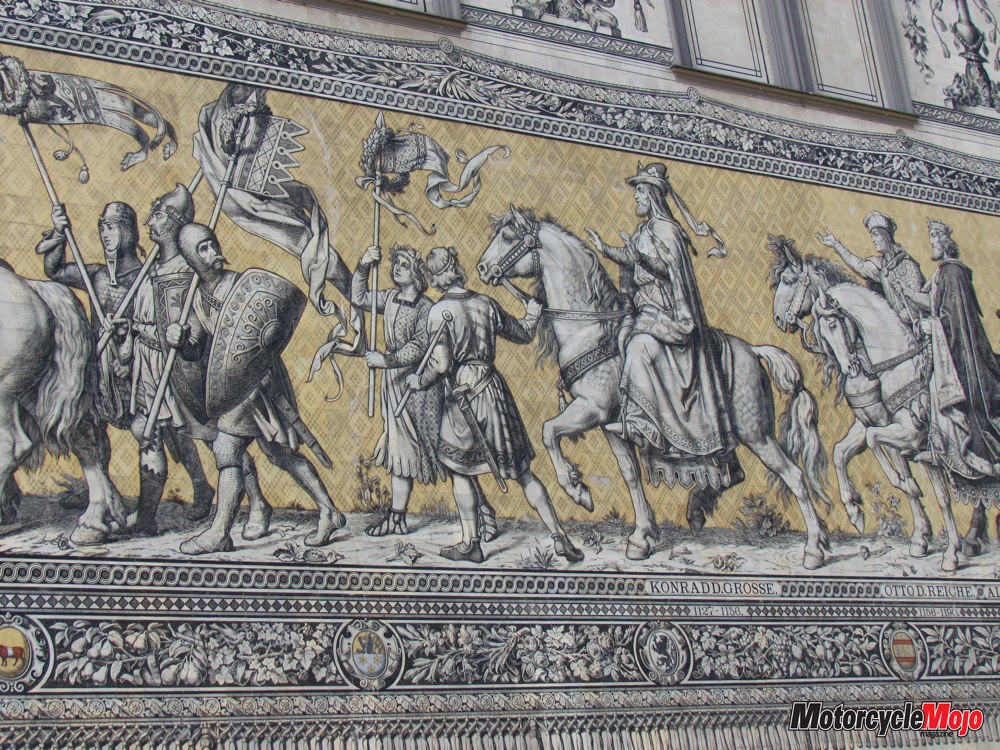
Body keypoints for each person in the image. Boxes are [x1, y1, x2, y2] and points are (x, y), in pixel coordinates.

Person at [165, 223, 346, 554]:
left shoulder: (241, 286)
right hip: (235, 386)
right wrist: (180, 340)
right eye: (202, 248)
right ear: (190, 258)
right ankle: (328, 511)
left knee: (236, 450)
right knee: (275, 453)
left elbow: (265, 331)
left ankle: (220, 532)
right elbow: (196, 349)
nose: (212, 252)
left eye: (212, 243)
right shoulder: (196, 298)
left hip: (261, 382)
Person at [405, 247, 583, 563]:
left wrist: (419, 381)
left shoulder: (439, 311)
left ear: (435, 278)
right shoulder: (486, 303)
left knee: (460, 471)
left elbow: (441, 364)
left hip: (463, 396)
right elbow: (523, 333)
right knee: (524, 473)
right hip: (494, 390)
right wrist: (532, 314)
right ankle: (559, 536)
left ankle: (470, 544)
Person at [588, 163, 740, 491]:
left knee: (639, 347)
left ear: (653, 195)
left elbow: (669, 271)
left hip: (669, 313)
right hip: (646, 309)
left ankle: (642, 423)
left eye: (640, 192)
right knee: (621, 338)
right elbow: (631, 258)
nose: (636, 198)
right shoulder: (645, 231)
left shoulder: (667, 231)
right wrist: (604, 249)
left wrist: (641, 259)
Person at [122, 184, 217, 533]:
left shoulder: (189, 271)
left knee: (208, 434)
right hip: (146, 362)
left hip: (179, 365)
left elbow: (205, 323)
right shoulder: (151, 265)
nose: (149, 221)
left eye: (158, 215)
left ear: (176, 222)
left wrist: (186, 336)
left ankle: (252, 500)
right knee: (156, 431)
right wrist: (128, 336)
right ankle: (149, 515)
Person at [894, 220, 1000, 490]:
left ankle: (955, 450)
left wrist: (930, 326)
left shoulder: (951, 272)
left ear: (945, 243)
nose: (931, 244)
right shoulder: (943, 272)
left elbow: (952, 317)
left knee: (938, 386)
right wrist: (907, 293)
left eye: (934, 240)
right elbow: (935, 303)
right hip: (951, 346)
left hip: (959, 354)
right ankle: (936, 444)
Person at [352, 244, 444, 536]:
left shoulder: (425, 307)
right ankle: (397, 516)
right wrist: (363, 265)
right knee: (398, 450)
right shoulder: (389, 297)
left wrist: (386, 360)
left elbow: (419, 346)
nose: (397, 268)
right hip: (393, 381)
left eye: (404, 264)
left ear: (416, 272)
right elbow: (359, 298)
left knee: (417, 449)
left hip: (417, 385)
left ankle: (398, 517)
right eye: (396, 264)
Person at [37, 202, 142, 433]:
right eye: (102, 227)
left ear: (127, 230)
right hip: (98, 373)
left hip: (133, 375)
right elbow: (55, 271)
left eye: (111, 227)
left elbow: (154, 329)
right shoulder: (96, 275)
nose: (105, 234)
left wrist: (132, 360)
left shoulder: (146, 278)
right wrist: (59, 232)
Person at [816, 211, 925, 327]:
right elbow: (859, 266)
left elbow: (918, 302)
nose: (873, 239)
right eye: (872, 236)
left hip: (916, 325)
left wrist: (906, 314)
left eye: (876, 234)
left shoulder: (907, 264)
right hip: (896, 325)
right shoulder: (880, 265)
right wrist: (835, 244)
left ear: (886, 236)